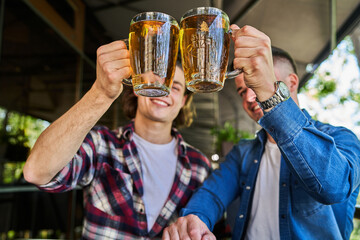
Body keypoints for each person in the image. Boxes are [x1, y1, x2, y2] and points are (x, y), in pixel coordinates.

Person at [162, 25, 360, 240]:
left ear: (292, 82)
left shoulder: (341, 138)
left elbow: (333, 186)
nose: (248, 98)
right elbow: (213, 193)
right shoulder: (244, 152)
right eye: (241, 91)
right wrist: (196, 220)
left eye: (254, 82)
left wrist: (270, 94)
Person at [23, 40, 212, 239]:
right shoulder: (101, 144)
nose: (163, 90)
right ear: (137, 87)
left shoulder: (200, 165)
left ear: (183, 101)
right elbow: (37, 172)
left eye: (175, 87)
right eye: (157, 81)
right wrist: (101, 92)